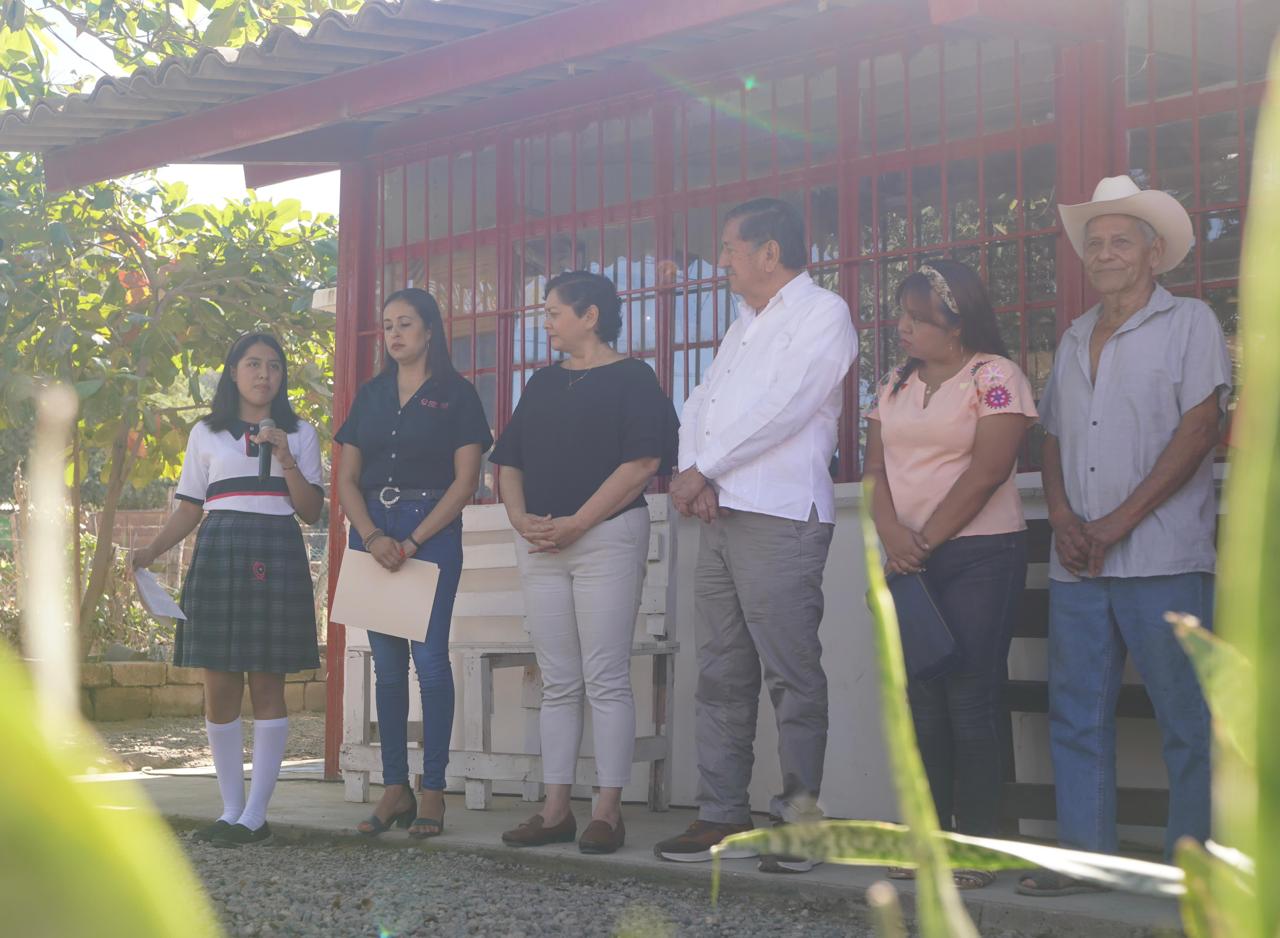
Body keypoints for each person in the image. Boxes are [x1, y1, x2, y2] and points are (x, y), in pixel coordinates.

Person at [1019, 176, 1230, 896]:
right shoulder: (1076, 336)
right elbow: (1049, 440)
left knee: (1186, 721)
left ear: (1155, 253)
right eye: (1095, 243)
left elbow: (1200, 429)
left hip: (1164, 558)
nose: (1105, 253)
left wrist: (1116, 522)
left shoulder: (1190, 323)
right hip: (1080, 562)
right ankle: (1089, 862)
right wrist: (1068, 522)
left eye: (1120, 241)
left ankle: (1192, 868)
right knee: (1076, 716)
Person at [655, 198, 856, 873]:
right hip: (721, 514)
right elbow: (700, 403)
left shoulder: (822, 313)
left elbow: (789, 406)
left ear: (770, 252)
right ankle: (720, 813)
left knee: (791, 678)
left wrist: (703, 470)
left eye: (731, 247)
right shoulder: (742, 325)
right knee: (720, 673)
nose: (722, 261)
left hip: (778, 514)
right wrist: (696, 475)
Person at [491, 270, 678, 855]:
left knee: (605, 677)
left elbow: (643, 461)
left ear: (590, 315)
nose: (545, 322)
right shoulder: (542, 384)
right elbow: (510, 459)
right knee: (558, 681)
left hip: (605, 540)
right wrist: (520, 519)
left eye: (553, 312)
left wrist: (578, 522)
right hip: (542, 543)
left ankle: (606, 810)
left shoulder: (633, 378)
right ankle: (554, 810)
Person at [863, 260, 1036, 889]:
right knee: (923, 705)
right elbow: (874, 472)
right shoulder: (891, 383)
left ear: (956, 320)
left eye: (918, 318)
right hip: (909, 560)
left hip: (980, 556)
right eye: (902, 316)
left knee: (968, 698)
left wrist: (924, 541)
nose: (902, 327)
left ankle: (977, 848)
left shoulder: (995, 378)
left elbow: (989, 470)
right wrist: (891, 536)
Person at [132, 333, 325, 847]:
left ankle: (256, 817)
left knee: (267, 682)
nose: (265, 374)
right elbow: (190, 508)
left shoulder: (300, 433)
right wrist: (149, 552)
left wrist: (284, 455)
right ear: (234, 371)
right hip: (218, 550)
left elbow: (311, 511)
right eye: (254, 364)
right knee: (218, 686)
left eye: (275, 367)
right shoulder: (206, 433)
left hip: (276, 549)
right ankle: (230, 809)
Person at [334, 288, 492, 838]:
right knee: (387, 665)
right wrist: (373, 534)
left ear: (429, 330)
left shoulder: (458, 395)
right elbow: (347, 479)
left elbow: (465, 481)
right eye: (387, 325)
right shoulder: (370, 395)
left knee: (429, 662)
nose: (394, 333)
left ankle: (433, 790)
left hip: (432, 531)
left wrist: (415, 540)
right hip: (373, 531)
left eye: (406, 323)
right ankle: (395, 787)